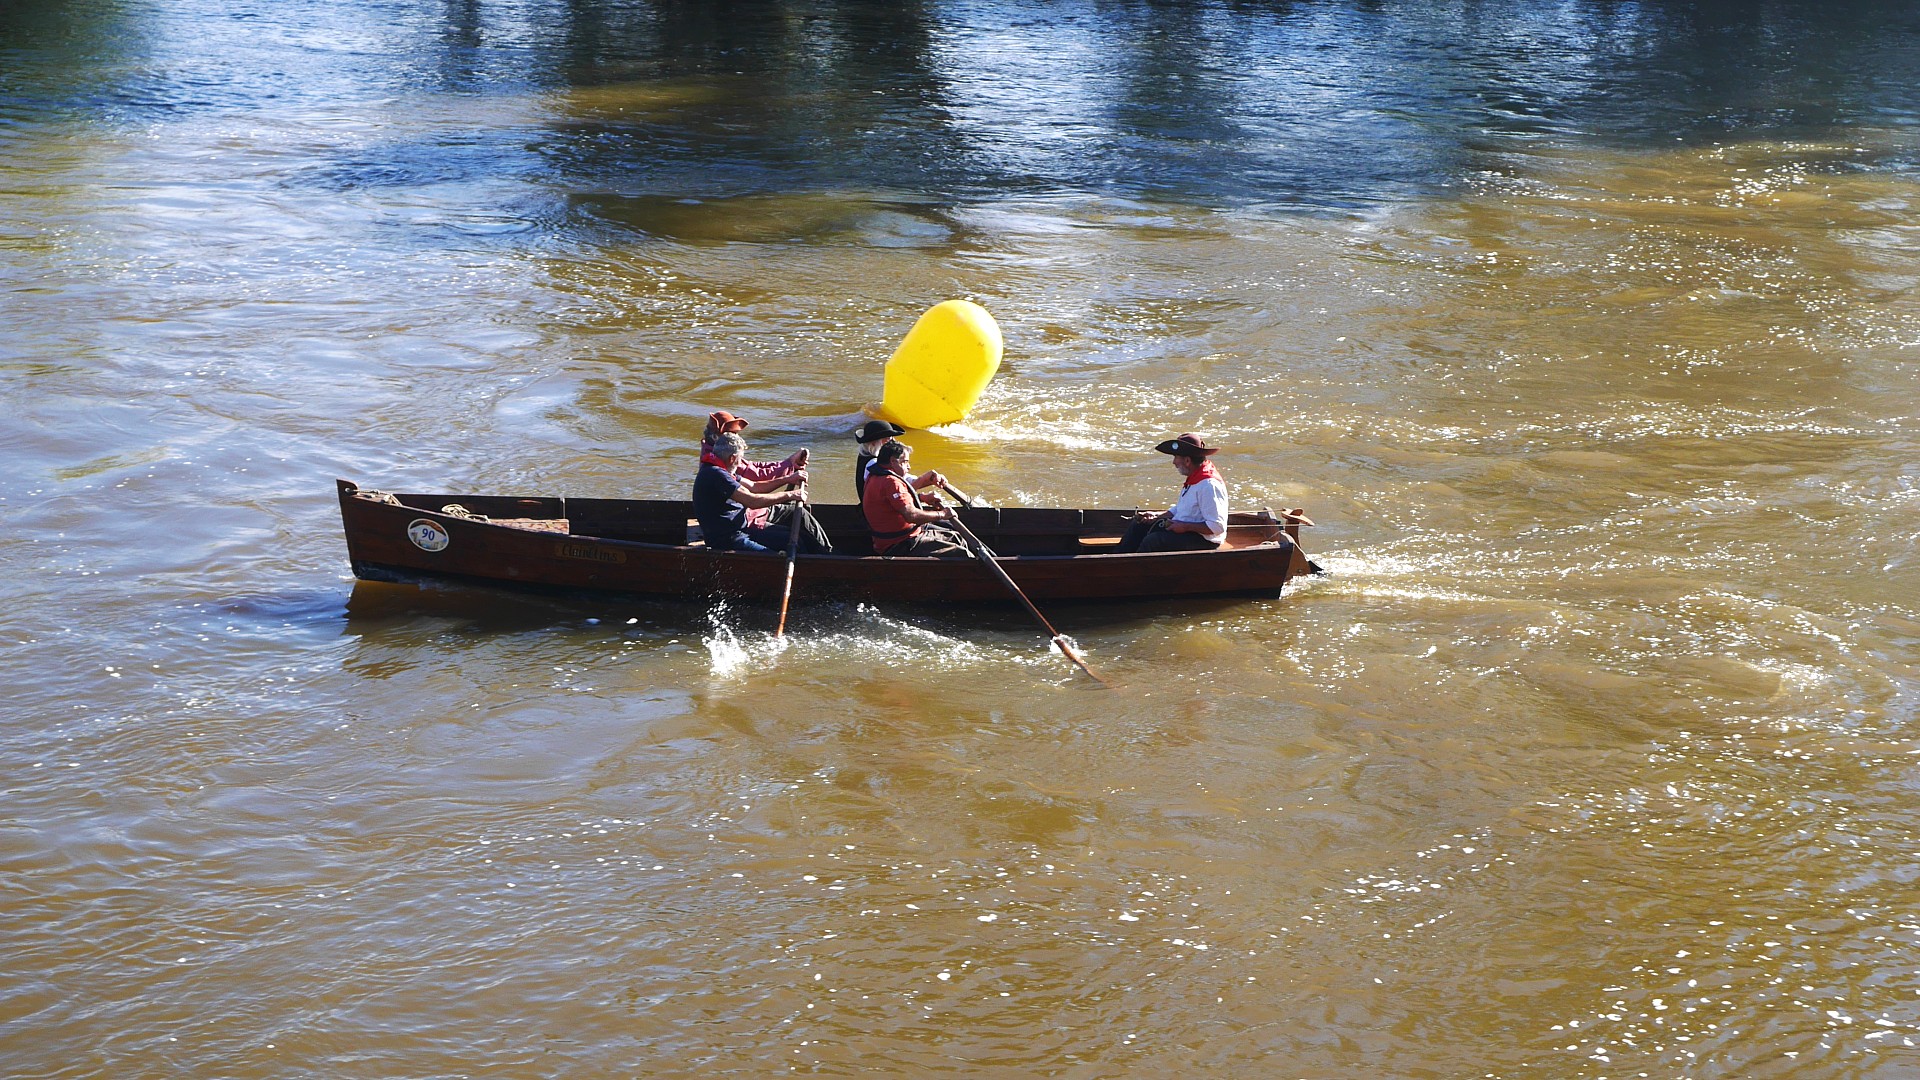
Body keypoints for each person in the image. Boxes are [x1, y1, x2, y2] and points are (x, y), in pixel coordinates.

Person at [694, 432, 833, 554]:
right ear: (732, 458)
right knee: (792, 545)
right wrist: (791, 495)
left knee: (798, 537)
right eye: (739, 459)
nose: (740, 463)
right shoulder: (716, 474)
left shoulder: (720, 467)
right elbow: (752, 501)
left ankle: (827, 555)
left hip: (742, 524)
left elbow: (754, 487)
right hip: (730, 537)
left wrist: (788, 479)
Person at [1115, 433, 1228, 553]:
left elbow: (1217, 527)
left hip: (1203, 541)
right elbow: (1182, 509)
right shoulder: (1195, 478)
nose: (1174, 462)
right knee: (1139, 525)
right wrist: (1157, 516)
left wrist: (1185, 526)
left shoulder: (1209, 485)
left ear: (1187, 460)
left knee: (1154, 541)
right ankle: (1115, 560)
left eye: (1176, 457)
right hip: (1187, 532)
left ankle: (1133, 569)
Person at [702, 410, 807, 533]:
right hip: (738, 521)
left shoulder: (717, 454)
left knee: (798, 515)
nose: (736, 437)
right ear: (717, 438)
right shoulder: (724, 461)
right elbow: (756, 478)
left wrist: (788, 466)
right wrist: (788, 466)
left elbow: (753, 471)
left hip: (743, 513)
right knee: (792, 534)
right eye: (733, 434)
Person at [861, 439, 969, 557]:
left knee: (955, 536)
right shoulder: (891, 482)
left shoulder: (874, 475)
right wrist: (942, 514)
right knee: (961, 553)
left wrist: (922, 498)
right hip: (900, 544)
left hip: (897, 538)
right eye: (905, 462)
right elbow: (911, 516)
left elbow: (892, 503)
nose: (909, 467)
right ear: (893, 461)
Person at [852, 419, 906, 500]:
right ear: (874, 442)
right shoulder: (873, 464)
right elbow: (894, 487)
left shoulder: (866, 458)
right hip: (876, 511)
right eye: (888, 438)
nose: (893, 442)